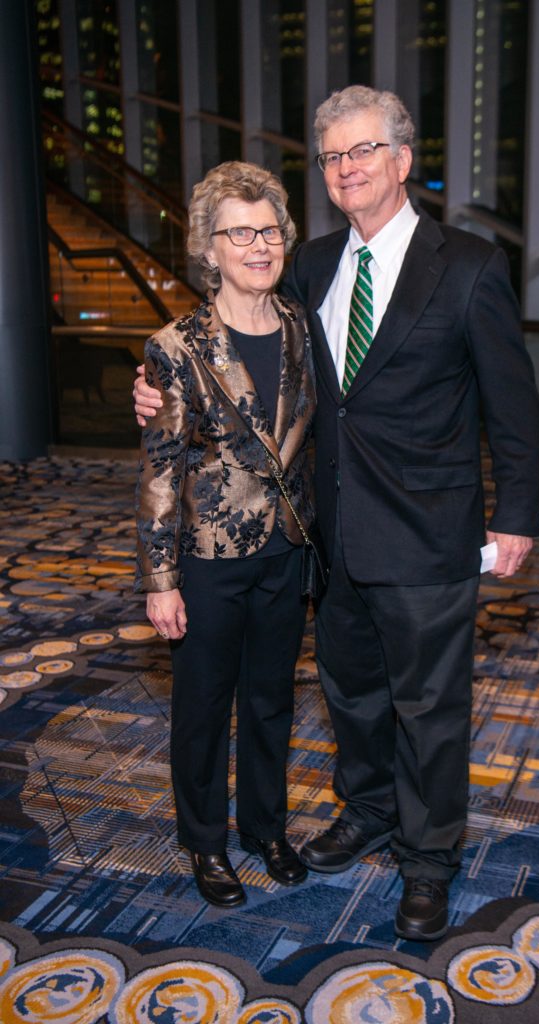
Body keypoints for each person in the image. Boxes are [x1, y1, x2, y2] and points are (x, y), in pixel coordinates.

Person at [135, 87, 539, 941]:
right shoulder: (311, 265)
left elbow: (512, 405)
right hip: (329, 534)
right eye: (331, 156)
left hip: (429, 532)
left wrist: (516, 515)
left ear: (402, 160)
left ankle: (427, 858)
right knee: (350, 692)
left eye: (363, 150)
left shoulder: (468, 265)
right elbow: (239, 355)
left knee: (428, 708)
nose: (347, 167)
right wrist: (152, 392)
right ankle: (366, 810)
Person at [135, 160, 316, 909]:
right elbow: (159, 471)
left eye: (268, 231)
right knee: (204, 707)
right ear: (209, 249)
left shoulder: (303, 327)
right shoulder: (176, 346)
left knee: (271, 700)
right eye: (239, 233)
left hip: (287, 549)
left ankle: (265, 829)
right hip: (208, 559)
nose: (257, 246)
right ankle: (205, 841)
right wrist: (160, 581)